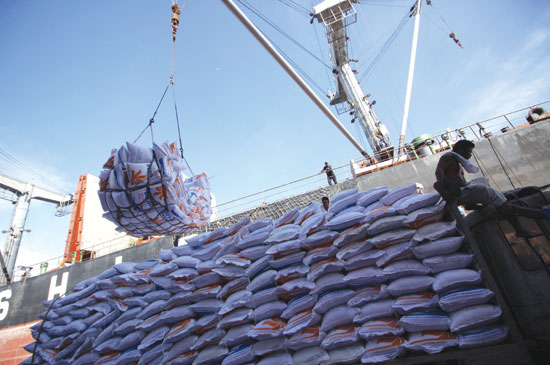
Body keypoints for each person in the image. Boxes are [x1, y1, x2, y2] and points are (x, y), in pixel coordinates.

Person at [435, 139, 549, 238]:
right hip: (457, 192)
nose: (470, 155)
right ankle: (519, 229)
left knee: (483, 181)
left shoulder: (456, 161)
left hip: (462, 189)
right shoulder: (448, 157)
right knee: (489, 193)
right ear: (460, 150)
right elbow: (439, 172)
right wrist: (445, 188)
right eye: (469, 152)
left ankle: (476, 203)